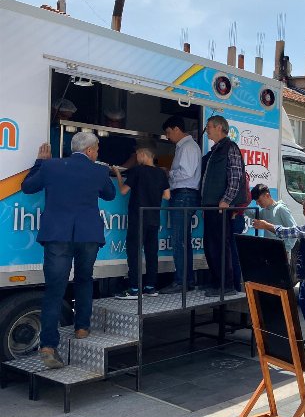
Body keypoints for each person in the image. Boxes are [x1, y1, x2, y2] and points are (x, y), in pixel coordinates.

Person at [21, 134, 116, 368]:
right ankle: (82, 328)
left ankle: (48, 346)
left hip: (58, 236)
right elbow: (110, 194)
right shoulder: (98, 171)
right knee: (84, 279)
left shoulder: (51, 166)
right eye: (96, 150)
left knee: (54, 289)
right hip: (88, 236)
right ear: (91, 150)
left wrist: (40, 162)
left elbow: (28, 187)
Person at [253, 194, 305, 354]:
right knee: (304, 301)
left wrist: (268, 226)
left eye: (304, 208)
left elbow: (292, 232)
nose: (303, 211)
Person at [113, 142, 170, 299]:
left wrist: (118, 174)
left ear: (144, 155)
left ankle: (134, 288)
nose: (136, 158)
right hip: (154, 218)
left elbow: (124, 191)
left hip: (138, 217)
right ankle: (151, 287)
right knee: (152, 252)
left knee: (134, 252)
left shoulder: (137, 171)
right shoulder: (161, 173)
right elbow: (167, 196)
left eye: (137, 155)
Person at [201, 115, 248, 297]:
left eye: (209, 127)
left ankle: (225, 284)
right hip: (211, 206)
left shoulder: (230, 148)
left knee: (220, 245)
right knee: (210, 245)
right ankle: (216, 282)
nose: (207, 131)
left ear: (220, 127)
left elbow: (236, 177)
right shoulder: (215, 151)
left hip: (220, 206)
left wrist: (226, 200)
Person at [160, 116, 202, 294]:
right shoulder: (184, 147)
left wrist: (169, 173)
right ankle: (187, 280)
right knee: (183, 241)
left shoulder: (188, 147)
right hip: (185, 195)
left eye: (169, 132)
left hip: (184, 194)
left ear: (177, 129)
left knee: (179, 240)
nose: (168, 137)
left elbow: (186, 173)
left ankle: (181, 281)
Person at [251, 183, 297, 258]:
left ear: (267, 196)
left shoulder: (281, 209)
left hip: (281, 253)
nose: (257, 203)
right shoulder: (265, 211)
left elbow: (294, 231)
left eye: (259, 201)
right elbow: (253, 214)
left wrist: (286, 249)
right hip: (269, 251)